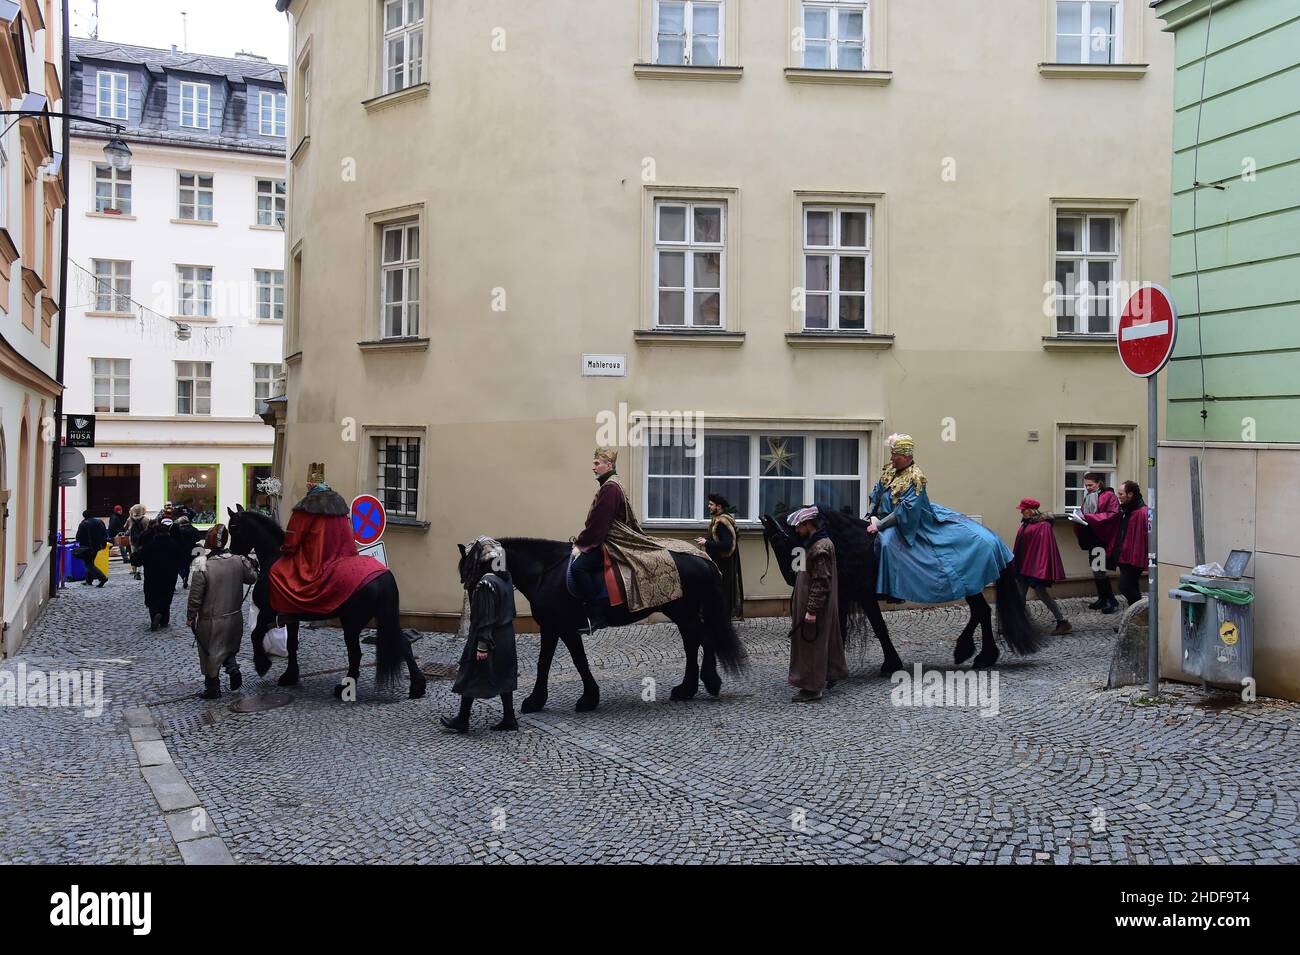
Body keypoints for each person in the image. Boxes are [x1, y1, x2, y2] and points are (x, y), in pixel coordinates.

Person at [865, 434, 1013, 604]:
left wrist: (880, 526)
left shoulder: (916, 478)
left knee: (886, 543)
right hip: (884, 517)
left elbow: (904, 511)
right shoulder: (889, 470)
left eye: (895, 456)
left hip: (909, 519)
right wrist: (870, 515)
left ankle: (892, 592)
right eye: (891, 455)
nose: (891, 459)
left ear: (906, 457)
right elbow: (876, 493)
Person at [571, 447, 704, 634]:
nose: (593, 468)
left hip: (612, 540)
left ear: (608, 465)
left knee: (578, 568)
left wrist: (582, 544)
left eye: (597, 464)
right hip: (608, 536)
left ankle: (596, 615)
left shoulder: (609, 488)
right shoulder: (611, 484)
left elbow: (600, 523)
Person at [269, 482, 387, 616]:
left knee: (276, 572)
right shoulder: (340, 510)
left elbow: (291, 541)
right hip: (343, 559)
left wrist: (285, 549)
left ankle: (285, 614)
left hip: (314, 563)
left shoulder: (304, 509)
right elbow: (349, 537)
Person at [441, 537, 519, 733]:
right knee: (504, 675)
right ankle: (509, 718)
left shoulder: (486, 583)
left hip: (489, 636)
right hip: (506, 635)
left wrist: (482, 645)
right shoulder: (505, 577)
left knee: (470, 674)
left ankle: (462, 720)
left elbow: (486, 616)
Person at [186, 524, 256, 699]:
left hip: (211, 619)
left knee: (210, 652)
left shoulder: (202, 563)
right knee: (228, 647)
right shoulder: (238, 560)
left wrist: (190, 615)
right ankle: (233, 669)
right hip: (234, 616)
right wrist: (249, 562)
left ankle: (212, 688)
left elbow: (196, 593)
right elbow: (252, 577)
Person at [786, 506, 848, 702]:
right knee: (820, 641)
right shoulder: (813, 542)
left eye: (798, 527)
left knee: (812, 644)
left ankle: (812, 688)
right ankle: (826, 674)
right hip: (811, 603)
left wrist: (811, 610)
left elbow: (821, 582)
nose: (796, 530)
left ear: (808, 524)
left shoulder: (820, 547)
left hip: (814, 607)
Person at [1012, 498, 1071, 636]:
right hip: (1023, 566)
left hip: (1035, 567)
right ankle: (1018, 623)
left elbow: (1043, 550)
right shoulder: (1026, 524)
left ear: (1030, 511)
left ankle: (1062, 622)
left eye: (1023, 509)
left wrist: (1038, 569)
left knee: (1041, 594)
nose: (1021, 512)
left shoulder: (1043, 526)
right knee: (1020, 594)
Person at [1071, 472, 1120, 614]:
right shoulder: (1089, 496)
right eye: (1086, 485)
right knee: (1096, 569)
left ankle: (1110, 600)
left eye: (1090, 485)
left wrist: (1088, 517)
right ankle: (1103, 598)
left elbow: (1112, 514)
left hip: (1102, 539)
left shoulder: (1109, 496)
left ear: (1099, 483)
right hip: (1093, 538)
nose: (1088, 488)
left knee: (1100, 570)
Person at [132, 518, 190, 630]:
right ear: (168, 532)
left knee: (152, 597)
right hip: (169, 576)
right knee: (166, 596)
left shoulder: (149, 546)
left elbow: (137, 560)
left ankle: (154, 615)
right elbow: (182, 561)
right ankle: (164, 619)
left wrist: (135, 555)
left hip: (152, 576)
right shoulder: (174, 545)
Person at [696, 492, 744, 620]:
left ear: (719, 506)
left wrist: (707, 543)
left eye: (711, 504)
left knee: (722, 592)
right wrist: (706, 540)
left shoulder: (723, 522)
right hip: (719, 564)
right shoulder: (719, 519)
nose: (708, 506)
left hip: (723, 565)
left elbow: (727, 544)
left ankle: (722, 622)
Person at [1111, 481, 1150, 608]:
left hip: (1133, 558)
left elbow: (1144, 538)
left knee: (1125, 586)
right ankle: (1135, 618)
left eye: (1121, 494)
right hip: (1125, 556)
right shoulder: (1128, 509)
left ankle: (1138, 613)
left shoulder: (1142, 512)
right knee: (1132, 586)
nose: (1119, 496)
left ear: (1130, 494)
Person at [73, 510, 109, 587]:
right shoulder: (99, 522)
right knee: (90, 562)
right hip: (97, 546)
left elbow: (78, 537)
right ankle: (88, 580)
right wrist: (104, 544)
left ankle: (102, 578)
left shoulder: (83, 524)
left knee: (89, 564)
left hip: (86, 547)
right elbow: (104, 534)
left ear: (84, 516)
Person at [173, 516, 204, 590]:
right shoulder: (193, 529)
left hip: (181, 550)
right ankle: (186, 580)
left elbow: (175, 539)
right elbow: (198, 538)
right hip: (191, 549)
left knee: (178, 566)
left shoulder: (179, 530)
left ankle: (183, 577)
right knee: (187, 566)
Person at [124, 504, 149, 580]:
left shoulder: (129, 519)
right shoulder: (146, 519)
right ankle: (143, 571)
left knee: (136, 555)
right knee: (145, 555)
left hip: (133, 541)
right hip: (144, 540)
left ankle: (135, 571)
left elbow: (125, 527)